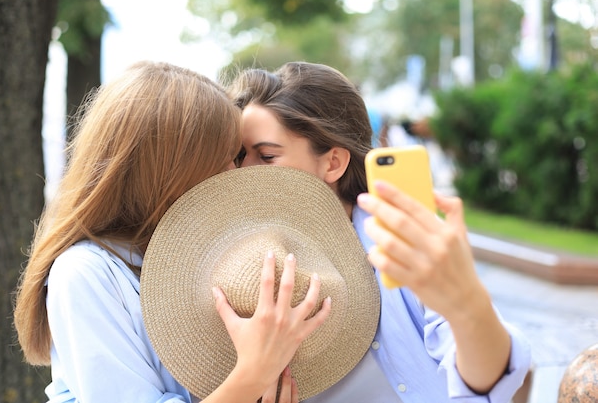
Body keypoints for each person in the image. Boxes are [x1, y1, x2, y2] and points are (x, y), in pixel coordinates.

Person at [12, 61, 331, 403]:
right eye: (223, 158)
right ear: (170, 168)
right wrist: (255, 373)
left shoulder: (205, 252)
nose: (234, 172)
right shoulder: (86, 273)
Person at [227, 61, 532, 402]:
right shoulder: (237, 268)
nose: (246, 171)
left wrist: (468, 304)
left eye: (266, 156)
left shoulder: (397, 240)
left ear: (333, 163)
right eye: (241, 156)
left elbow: (488, 375)